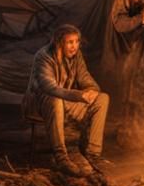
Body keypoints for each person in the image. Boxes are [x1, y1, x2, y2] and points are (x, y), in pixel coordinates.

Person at [23, 24, 110, 178]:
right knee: (55, 100)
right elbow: (50, 88)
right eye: (70, 42)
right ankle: (61, 158)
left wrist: (91, 91)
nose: (74, 46)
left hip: (65, 101)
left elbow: (86, 79)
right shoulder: (43, 57)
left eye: (77, 42)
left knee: (102, 98)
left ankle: (93, 154)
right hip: (39, 103)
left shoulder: (76, 56)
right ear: (59, 43)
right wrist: (78, 96)